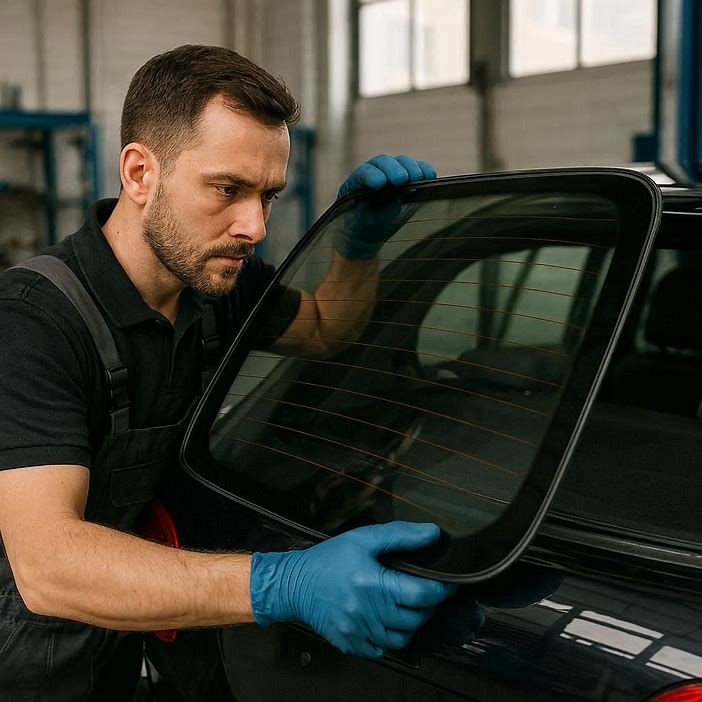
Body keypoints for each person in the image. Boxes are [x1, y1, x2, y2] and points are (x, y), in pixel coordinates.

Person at [0, 45, 456, 701]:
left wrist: (359, 245)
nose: (255, 227)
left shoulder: (215, 283)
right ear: (138, 173)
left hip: (112, 647)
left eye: (268, 195)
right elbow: (49, 566)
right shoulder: (32, 322)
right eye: (228, 190)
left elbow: (328, 327)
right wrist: (282, 583)